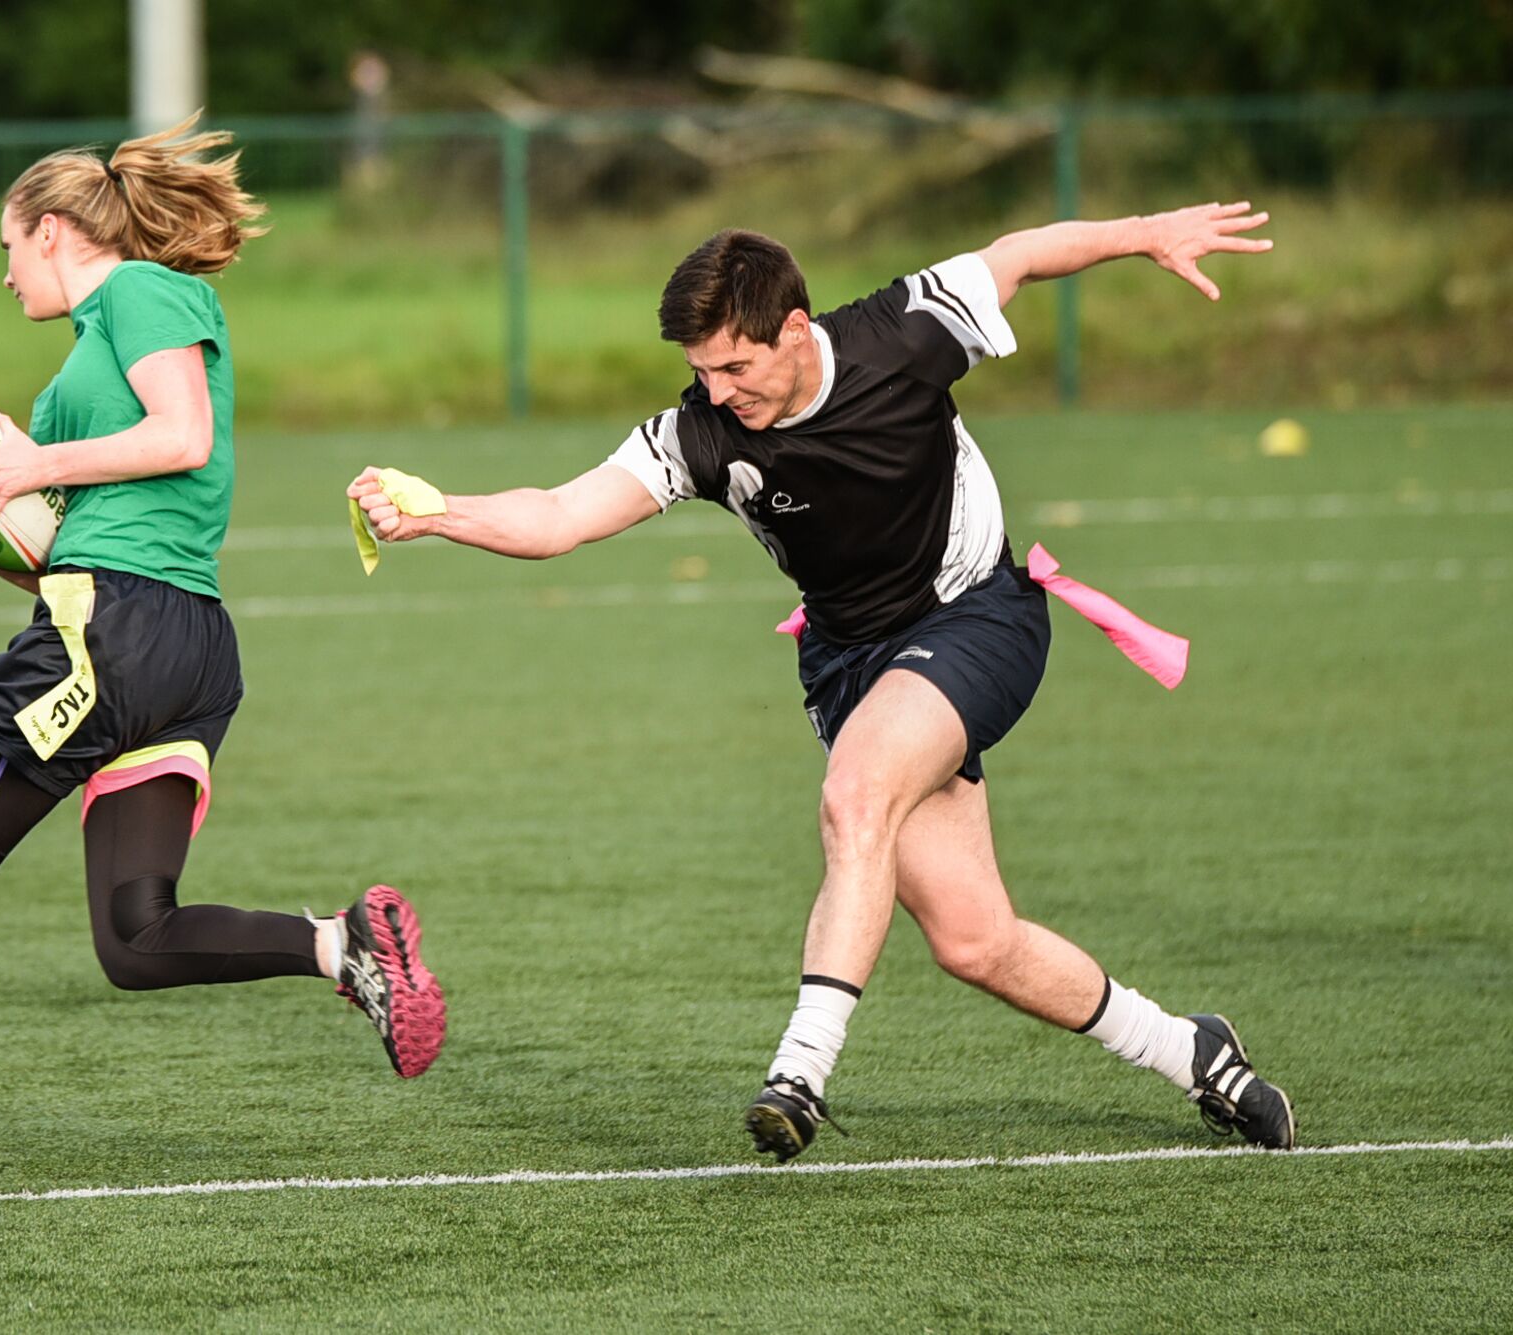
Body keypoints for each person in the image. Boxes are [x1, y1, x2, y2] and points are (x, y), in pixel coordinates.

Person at [349, 202, 1292, 1162]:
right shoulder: (701, 436)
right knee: (976, 940)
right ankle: (1194, 1051)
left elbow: (1017, 255)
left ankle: (800, 1072)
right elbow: (559, 514)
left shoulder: (907, 330)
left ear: (795, 332)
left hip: (976, 617)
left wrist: (1147, 233)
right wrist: (438, 514)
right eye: (700, 371)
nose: (715, 393)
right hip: (850, 661)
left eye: (734, 367)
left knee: (855, 795)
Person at [0, 119, 445, 1209]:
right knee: (136, 935)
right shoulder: (65, 387)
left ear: (51, 231)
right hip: (175, 649)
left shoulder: (139, 292)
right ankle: (343, 947)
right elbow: (62, 553)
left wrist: (33, 464)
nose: (1, 274)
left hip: (115, 632)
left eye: (6, 249)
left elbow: (180, 436)